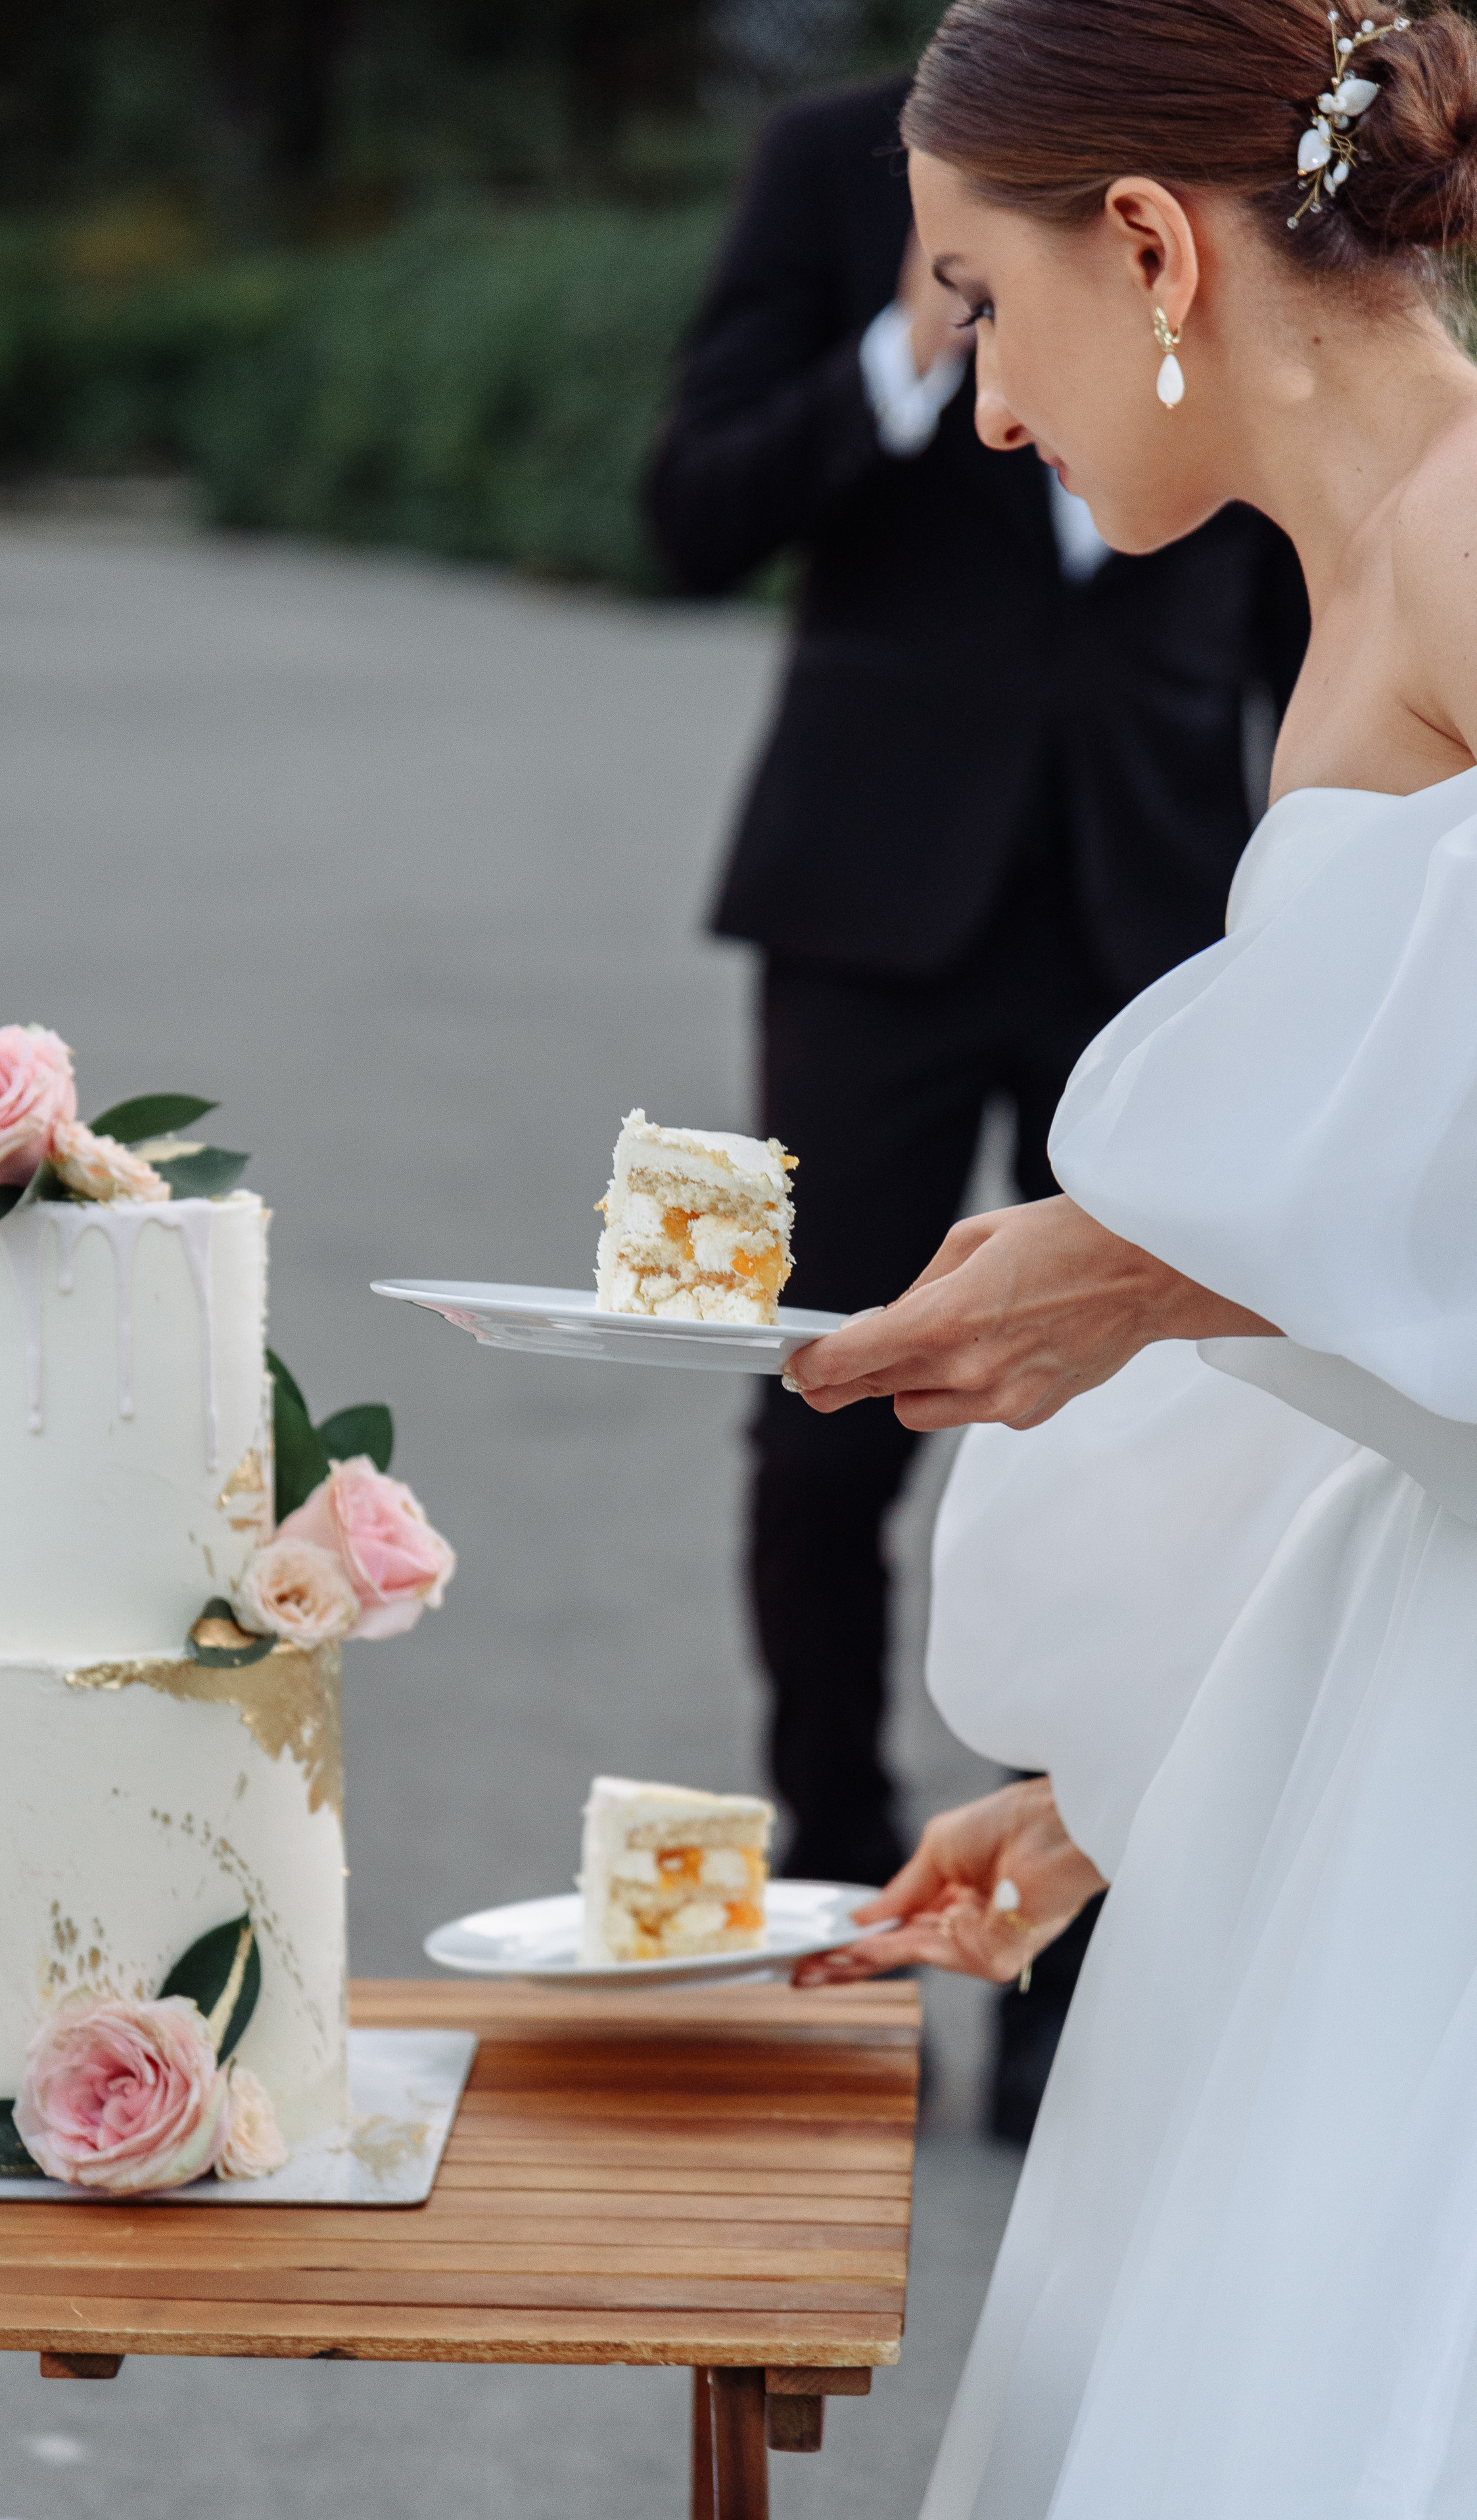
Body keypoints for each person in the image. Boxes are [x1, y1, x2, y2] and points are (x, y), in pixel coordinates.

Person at [784, 0, 1477, 2507]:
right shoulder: (1373, 579)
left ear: (1159, 250)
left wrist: (1151, 1264)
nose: (985, 407)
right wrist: (1135, 1771)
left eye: (987, 303)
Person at [642, 72, 1307, 2137]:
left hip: (1155, 899)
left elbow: (1314, 570)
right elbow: (688, 512)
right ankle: (842, 1904)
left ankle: (1062, 1958)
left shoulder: (1228, 147)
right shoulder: (834, 163)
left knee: (1140, 1434)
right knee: (826, 1410)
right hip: (875, 904)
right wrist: (916, 341)